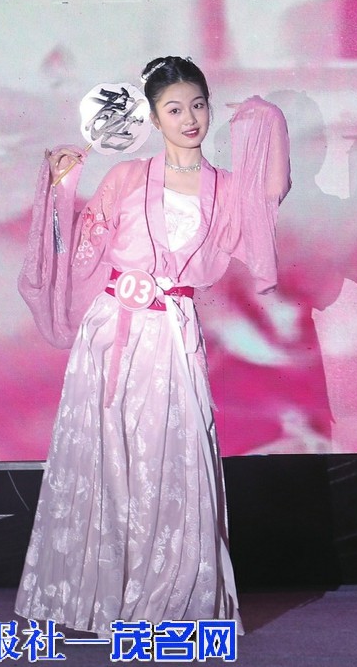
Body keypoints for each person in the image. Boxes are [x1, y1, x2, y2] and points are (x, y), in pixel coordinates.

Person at [15, 55, 290, 637]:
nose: (189, 118)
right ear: (154, 117)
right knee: (106, 460)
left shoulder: (226, 189)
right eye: (174, 108)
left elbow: (271, 196)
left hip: (173, 334)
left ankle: (168, 606)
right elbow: (79, 253)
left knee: (174, 460)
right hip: (111, 331)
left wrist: (269, 123)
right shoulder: (126, 177)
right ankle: (93, 605)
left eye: (198, 105)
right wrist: (62, 188)